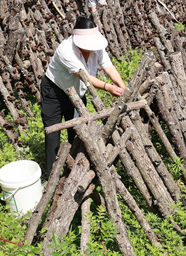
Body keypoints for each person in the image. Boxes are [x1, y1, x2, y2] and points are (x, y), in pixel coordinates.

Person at [41, 16, 126, 172]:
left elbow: (108, 67)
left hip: (77, 92)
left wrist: (122, 87)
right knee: (53, 134)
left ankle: (73, 168)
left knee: (78, 129)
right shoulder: (65, 50)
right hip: (55, 91)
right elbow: (84, 75)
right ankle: (51, 174)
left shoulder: (97, 48)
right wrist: (109, 88)